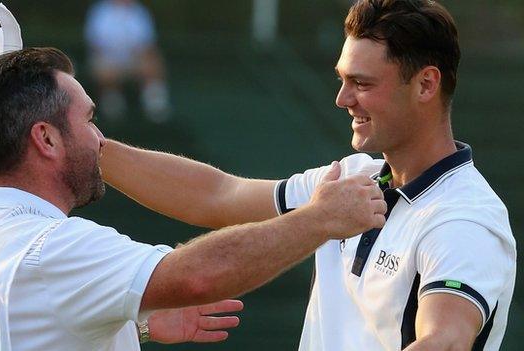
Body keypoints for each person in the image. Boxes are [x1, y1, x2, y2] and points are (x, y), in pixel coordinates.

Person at [98, 1, 516, 350]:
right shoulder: (350, 179)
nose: (342, 98)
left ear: (426, 85)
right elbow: (218, 194)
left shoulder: (464, 218)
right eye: (341, 80)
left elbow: (445, 339)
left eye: (361, 83)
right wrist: (88, 149)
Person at [0, 46, 386, 350]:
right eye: (89, 120)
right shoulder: (48, 250)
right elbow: (200, 277)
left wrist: (131, 325)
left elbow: (32, 326)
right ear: (46, 139)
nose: (100, 138)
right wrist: (319, 219)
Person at [85, 0, 170, 122]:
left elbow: (147, 45)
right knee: (102, 67)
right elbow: (96, 45)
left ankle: (155, 106)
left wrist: (137, 58)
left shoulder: (140, 11)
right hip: (109, 60)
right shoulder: (100, 11)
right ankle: (113, 106)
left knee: (153, 62)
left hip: (135, 60)